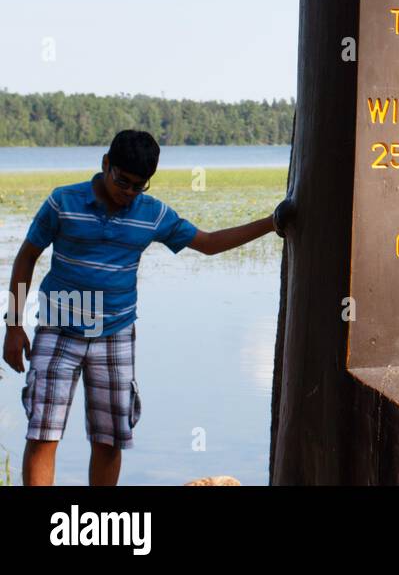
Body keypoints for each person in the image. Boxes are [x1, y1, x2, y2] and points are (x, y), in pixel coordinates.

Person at [3, 130, 293, 486]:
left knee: (110, 440)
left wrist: (273, 223)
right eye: (121, 181)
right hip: (58, 327)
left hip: (115, 334)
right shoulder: (63, 202)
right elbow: (26, 257)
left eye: (138, 186)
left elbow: (209, 243)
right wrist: (14, 326)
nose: (127, 193)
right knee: (43, 434)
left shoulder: (152, 214)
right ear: (105, 164)